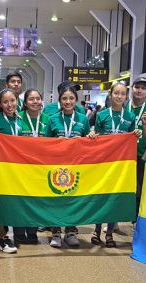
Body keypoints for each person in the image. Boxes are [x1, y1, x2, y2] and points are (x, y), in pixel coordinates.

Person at [88, 82, 141, 247]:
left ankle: (109, 233)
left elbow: (133, 140)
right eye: (116, 93)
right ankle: (97, 230)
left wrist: (136, 134)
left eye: (122, 94)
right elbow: (97, 138)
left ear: (126, 96)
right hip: (103, 163)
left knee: (114, 199)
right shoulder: (102, 115)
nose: (119, 96)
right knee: (100, 197)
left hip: (120, 165)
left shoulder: (130, 117)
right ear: (111, 95)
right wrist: (93, 136)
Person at [44, 85, 90, 248]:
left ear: (76, 100)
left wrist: (90, 136)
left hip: (76, 166)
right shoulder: (53, 119)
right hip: (57, 166)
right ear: (60, 101)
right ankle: (55, 232)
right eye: (64, 98)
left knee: (73, 199)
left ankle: (71, 231)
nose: (68, 101)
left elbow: (87, 142)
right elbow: (46, 144)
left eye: (71, 98)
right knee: (57, 199)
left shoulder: (83, 119)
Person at [0, 88, 23, 253]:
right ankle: (2, 237)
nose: (9, 105)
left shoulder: (21, 120)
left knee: (9, 201)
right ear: (0, 104)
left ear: (17, 101)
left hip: (15, 169)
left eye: (12, 101)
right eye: (5, 102)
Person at [12, 89, 50, 245]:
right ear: (25, 102)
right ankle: (19, 232)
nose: (35, 102)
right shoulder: (18, 119)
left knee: (36, 201)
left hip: (41, 168)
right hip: (21, 167)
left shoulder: (49, 119)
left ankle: (33, 232)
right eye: (31, 99)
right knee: (20, 200)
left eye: (38, 98)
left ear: (41, 101)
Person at [126, 77, 146, 231]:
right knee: (122, 186)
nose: (139, 90)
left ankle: (136, 218)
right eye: (137, 87)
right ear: (132, 88)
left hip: (141, 154)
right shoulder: (123, 106)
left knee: (139, 188)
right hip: (123, 154)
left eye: (143, 88)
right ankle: (115, 218)